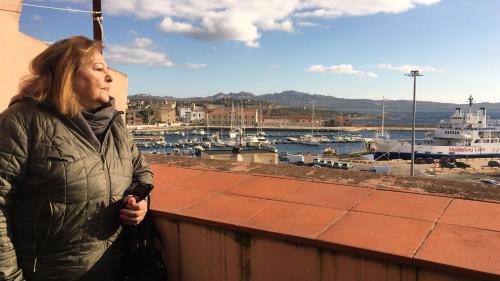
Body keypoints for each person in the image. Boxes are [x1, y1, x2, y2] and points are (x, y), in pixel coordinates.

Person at [0, 36, 152, 281]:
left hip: (111, 271)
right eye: (99, 69)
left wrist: (138, 202)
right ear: (66, 73)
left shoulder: (114, 124)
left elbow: (141, 171)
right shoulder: (21, 121)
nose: (110, 77)